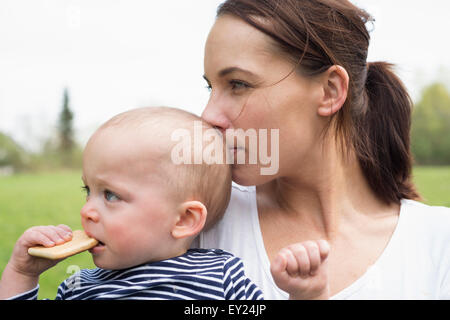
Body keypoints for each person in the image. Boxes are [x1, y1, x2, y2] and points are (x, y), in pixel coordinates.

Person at [198, 0, 450, 299]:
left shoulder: (438, 246)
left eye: (238, 84)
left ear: (330, 91)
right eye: (210, 87)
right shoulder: (194, 224)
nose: (208, 116)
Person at [0, 107, 329, 300]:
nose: (87, 210)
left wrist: (305, 295)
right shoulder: (80, 287)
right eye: (89, 191)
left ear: (184, 219)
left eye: (111, 195)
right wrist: (21, 273)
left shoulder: (221, 277)